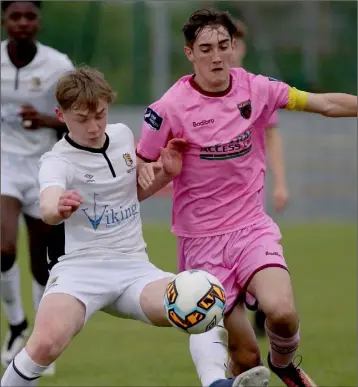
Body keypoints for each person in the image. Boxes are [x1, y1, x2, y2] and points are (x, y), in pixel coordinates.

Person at [1, 66, 270, 387]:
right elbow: (47, 206)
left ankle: (216, 383)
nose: (93, 126)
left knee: (204, 296)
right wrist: (57, 208)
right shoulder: (57, 161)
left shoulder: (122, 137)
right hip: (79, 273)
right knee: (45, 345)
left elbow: (128, 196)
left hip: (134, 271)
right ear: (60, 114)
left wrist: (166, 173)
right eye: (82, 118)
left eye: (99, 115)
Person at [136, 8, 357, 387]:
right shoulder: (167, 109)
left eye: (224, 45)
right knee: (244, 356)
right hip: (200, 243)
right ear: (189, 53)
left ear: (234, 46)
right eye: (206, 48)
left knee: (283, 312)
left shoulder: (257, 88)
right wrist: (164, 172)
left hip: (250, 230)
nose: (217, 56)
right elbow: (136, 188)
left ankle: (285, 363)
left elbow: (324, 104)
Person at [1, 0, 74, 375]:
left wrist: (46, 119)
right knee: (3, 245)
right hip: (5, 166)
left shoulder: (58, 65)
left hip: (46, 167)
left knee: (44, 266)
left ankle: (36, 341)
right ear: (4, 20)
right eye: (15, 15)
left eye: (30, 15)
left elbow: (79, 116)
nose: (23, 22)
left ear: (39, 21)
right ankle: (15, 326)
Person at [231, 20, 289, 337]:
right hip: (216, 200)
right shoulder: (198, 91)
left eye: (234, 44)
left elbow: (273, 137)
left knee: (256, 245)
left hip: (252, 190)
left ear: (242, 48)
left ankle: (258, 305)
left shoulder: (258, 89)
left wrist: (280, 183)